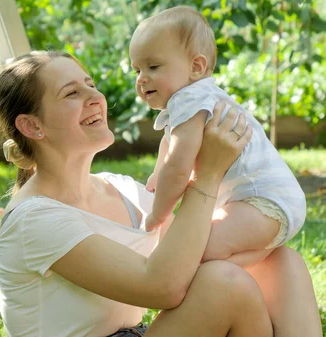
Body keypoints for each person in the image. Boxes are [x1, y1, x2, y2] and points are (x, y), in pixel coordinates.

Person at [0, 50, 322, 337]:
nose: (94, 97)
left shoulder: (121, 189)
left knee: (280, 263)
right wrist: (207, 173)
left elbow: (189, 254)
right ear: (33, 126)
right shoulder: (34, 219)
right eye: (71, 93)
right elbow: (163, 287)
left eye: (90, 85)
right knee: (223, 284)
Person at [129, 6, 307, 268]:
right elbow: (168, 145)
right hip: (269, 200)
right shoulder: (193, 101)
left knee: (192, 248)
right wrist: (157, 174)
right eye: (137, 70)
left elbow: (178, 166)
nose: (143, 79)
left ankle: (256, 258)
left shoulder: (188, 99)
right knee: (202, 250)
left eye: (153, 66)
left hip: (261, 202)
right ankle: (259, 256)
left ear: (196, 67)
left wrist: (158, 212)